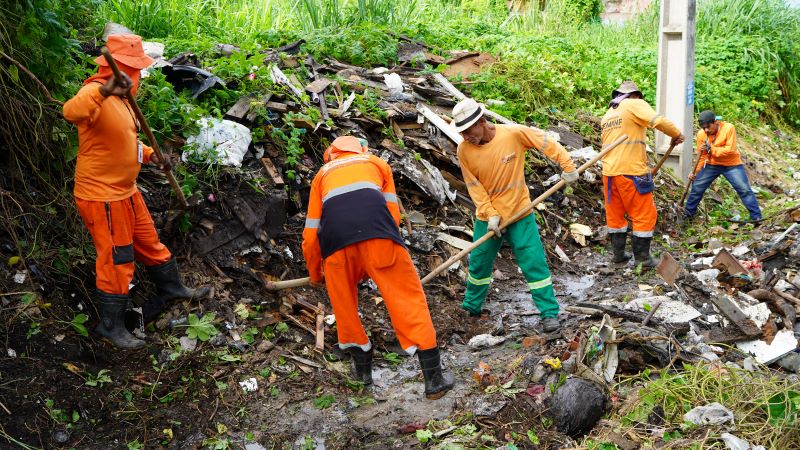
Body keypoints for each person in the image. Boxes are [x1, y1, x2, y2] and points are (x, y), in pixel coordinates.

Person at [63, 34, 210, 349]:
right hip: (102, 196)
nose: (140, 77)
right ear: (120, 70)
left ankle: (172, 289)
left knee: (147, 240)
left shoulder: (124, 102)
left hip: (126, 190)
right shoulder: (94, 93)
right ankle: (111, 326)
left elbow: (124, 142)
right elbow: (71, 112)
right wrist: (104, 90)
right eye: (136, 71)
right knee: (117, 259)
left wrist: (149, 155)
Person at [301, 136, 454, 400]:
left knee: (344, 306)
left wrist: (316, 274)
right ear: (360, 149)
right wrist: (386, 250)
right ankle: (434, 380)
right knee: (408, 301)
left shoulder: (321, 175)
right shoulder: (376, 163)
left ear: (331, 155)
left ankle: (362, 376)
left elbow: (311, 234)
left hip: (335, 249)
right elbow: (392, 214)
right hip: (380, 239)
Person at [450, 98, 578, 332]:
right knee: (479, 264)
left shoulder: (513, 134)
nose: (466, 137)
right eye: (462, 133)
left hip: (519, 212)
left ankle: (549, 313)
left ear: (481, 122)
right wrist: (490, 214)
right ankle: (471, 307)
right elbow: (473, 185)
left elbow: (547, 142)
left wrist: (567, 166)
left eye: (468, 131)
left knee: (533, 262)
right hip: (488, 218)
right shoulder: (464, 149)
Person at [600, 81, 685, 268]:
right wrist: (677, 134)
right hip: (630, 172)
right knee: (644, 214)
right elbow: (659, 121)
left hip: (609, 174)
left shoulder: (609, 114)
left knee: (615, 215)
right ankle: (643, 259)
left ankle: (619, 256)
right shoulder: (633, 104)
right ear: (635, 95)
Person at [682, 110, 762, 223]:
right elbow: (702, 155)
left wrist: (712, 149)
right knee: (697, 187)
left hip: (732, 164)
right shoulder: (702, 134)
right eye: (703, 128)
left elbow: (730, 150)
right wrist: (695, 172)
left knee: (744, 190)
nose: (706, 130)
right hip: (712, 164)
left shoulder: (728, 128)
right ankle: (688, 215)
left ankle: (756, 218)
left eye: (708, 127)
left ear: (715, 122)